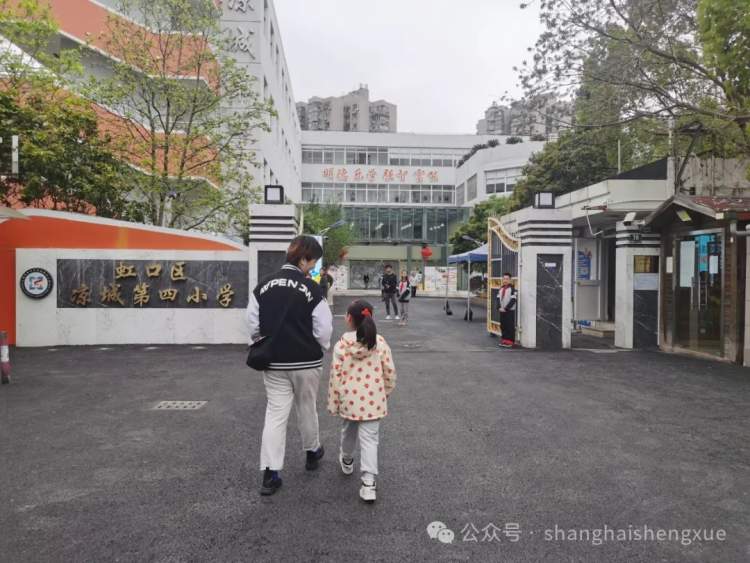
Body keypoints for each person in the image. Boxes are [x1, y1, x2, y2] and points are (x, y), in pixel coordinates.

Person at [247, 235, 333, 496]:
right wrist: (320, 346)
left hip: (273, 361)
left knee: (275, 414)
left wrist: (263, 342)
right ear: (304, 259)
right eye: (313, 261)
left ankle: (270, 473)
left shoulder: (262, 286)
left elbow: (252, 324)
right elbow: (323, 329)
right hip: (307, 361)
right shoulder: (312, 289)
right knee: (307, 408)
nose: (313, 267)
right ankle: (312, 452)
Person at [327, 300, 397, 503]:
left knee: (348, 431)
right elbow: (389, 371)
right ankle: (368, 484)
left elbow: (335, 376)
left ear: (348, 318)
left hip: (349, 400)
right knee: (370, 440)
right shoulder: (380, 343)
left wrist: (334, 403)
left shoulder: (341, 345)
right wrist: (385, 392)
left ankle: (347, 459)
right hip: (373, 400)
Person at [497, 272, 517, 348]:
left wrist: (505, 308)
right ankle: (504, 340)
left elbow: (513, 300)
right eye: (504, 279)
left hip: (509, 311)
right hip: (502, 310)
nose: (505, 280)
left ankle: (510, 341)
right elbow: (498, 299)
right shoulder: (501, 289)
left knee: (509, 326)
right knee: (503, 325)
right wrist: (499, 307)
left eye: (507, 279)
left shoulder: (512, 289)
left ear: (510, 280)